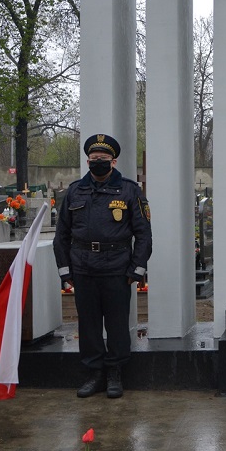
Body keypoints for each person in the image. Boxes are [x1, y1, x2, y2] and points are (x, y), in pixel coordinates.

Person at [54, 134, 152, 399]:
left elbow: (143, 234)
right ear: (88, 161)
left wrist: (136, 269)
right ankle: (94, 374)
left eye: (104, 158)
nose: (98, 162)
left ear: (113, 161)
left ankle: (115, 373)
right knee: (88, 325)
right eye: (94, 158)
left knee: (117, 324)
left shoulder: (129, 191)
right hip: (83, 268)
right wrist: (65, 270)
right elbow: (61, 234)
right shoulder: (75, 191)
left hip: (116, 269)